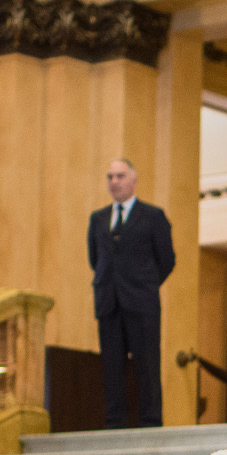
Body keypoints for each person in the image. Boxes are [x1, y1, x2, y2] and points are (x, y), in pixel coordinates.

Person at [86, 157, 175, 429]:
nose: (114, 182)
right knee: (112, 366)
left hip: (142, 303)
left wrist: (144, 284)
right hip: (108, 302)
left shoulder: (153, 216)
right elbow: (94, 259)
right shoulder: (98, 218)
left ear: (134, 180)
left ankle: (150, 422)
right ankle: (115, 423)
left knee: (147, 364)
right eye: (110, 177)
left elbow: (167, 260)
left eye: (120, 176)